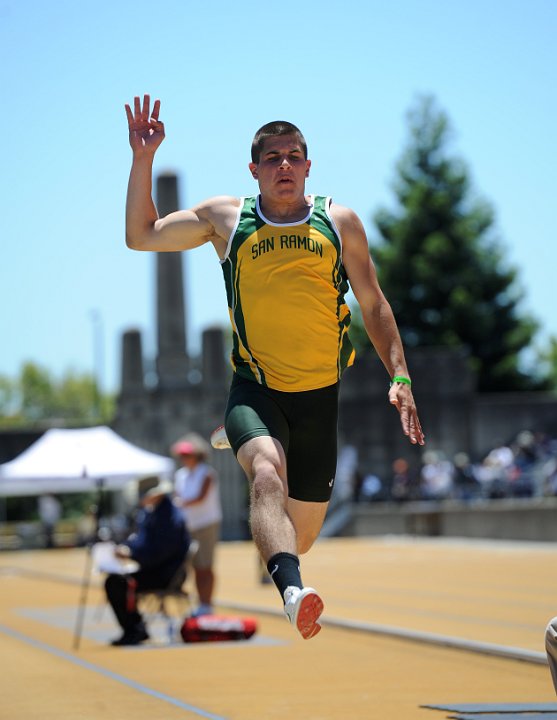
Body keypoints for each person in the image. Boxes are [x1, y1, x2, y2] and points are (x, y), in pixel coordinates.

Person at [124, 94, 425, 640]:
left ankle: (283, 542)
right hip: (255, 386)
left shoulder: (339, 223)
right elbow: (141, 236)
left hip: (318, 396)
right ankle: (293, 592)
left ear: (308, 166)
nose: (283, 165)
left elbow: (374, 304)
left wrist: (399, 377)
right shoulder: (227, 219)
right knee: (265, 474)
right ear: (255, 170)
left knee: (300, 533)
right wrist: (142, 159)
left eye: (293, 156)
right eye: (273, 158)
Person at [104, 480, 190, 646]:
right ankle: (135, 628)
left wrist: (132, 554)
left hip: (165, 574)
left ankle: (134, 630)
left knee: (116, 583)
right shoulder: (154, 512)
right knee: (116, 580)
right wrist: (127, 549)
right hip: (154, 568)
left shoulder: (169, 517)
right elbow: (141, 541)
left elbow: (159, 553)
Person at [172, 435, 222, 617]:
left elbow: (200, 498)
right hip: (189, 525)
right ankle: (201, 603)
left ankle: (207, 604)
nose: (184, 459)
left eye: (187, 455)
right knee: (194, 567)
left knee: (205, 566)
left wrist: (179, 503)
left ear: (197, 455)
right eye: (182, 455)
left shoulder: (206, 473)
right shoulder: (180, 475)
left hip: (206, 524)